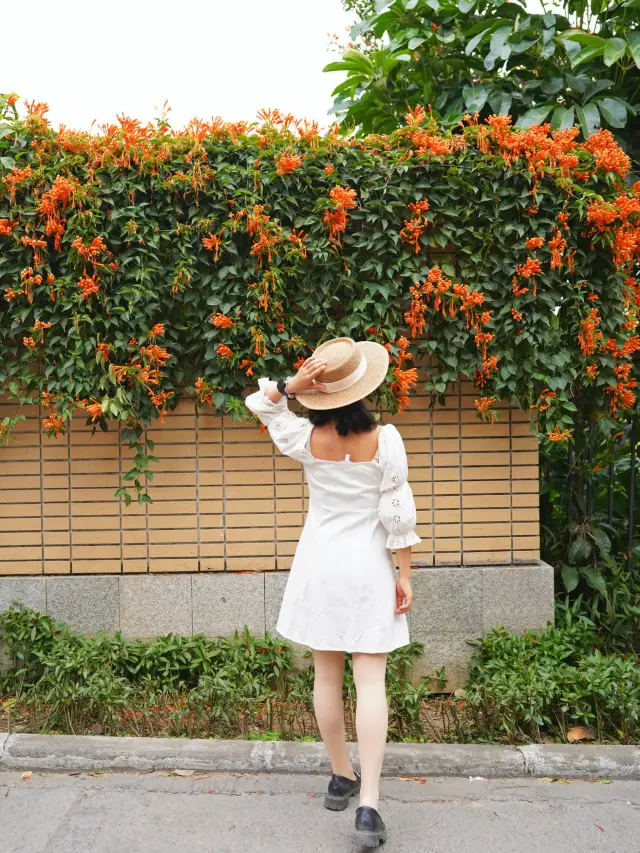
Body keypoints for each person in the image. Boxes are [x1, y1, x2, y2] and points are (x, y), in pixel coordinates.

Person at [244, 336, 421, 848]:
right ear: (364, 387)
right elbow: (397, 516)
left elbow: (261, 403)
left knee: (326, 674)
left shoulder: (305, 438)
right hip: (367, 569)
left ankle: (340, 774)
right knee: (370, 681)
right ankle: (368, 805)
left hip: (319, 565)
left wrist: (290, 386)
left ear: (321, 393)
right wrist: (404, 574)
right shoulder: (385, 439)